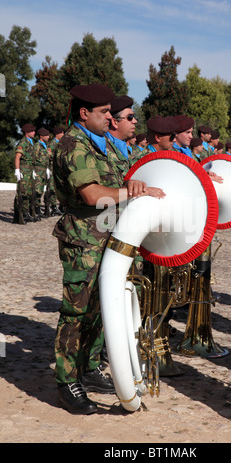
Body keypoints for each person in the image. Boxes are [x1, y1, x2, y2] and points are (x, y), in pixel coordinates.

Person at [52, 83, 165, 415]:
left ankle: (86, 368)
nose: (108, 117)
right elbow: (91, 195)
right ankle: (66, 382)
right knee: (77, 312)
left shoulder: (98, 144)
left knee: (101, 311)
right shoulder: (74, 145)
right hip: (83, 241)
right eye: (103, 113)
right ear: (84, 113)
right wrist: (131, 192)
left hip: (107, 240)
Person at [105, 94, 137, 169]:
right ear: (115, 122)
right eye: (130, 117)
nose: (135, 121)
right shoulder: (101, 149)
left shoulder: (126, 149)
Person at [13, 123, 37, 224]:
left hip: (30, 170)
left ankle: (26, 213)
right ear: (27, 132)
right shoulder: (23, 142)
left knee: (28, 192)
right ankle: (18, 214)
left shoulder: (30, 142)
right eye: (32, 131)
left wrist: (33, 170)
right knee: (21, 192)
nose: (34, 132)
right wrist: (17, 170)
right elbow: (18, 157)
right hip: (24, 170)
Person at [47, 126, 65, 216]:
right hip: (52, 168)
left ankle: (61, 206)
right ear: (58, 134)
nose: (63, 135)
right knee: (52, 188)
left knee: (61, 187)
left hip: (59, 168)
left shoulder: (61, 143)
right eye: (62, 133)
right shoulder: (52, 144)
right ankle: (53, 207)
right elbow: (48, 156)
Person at [34, 128, 51, 218]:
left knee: (41, 190)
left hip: (44, 171)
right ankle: (35, 209)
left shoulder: (45, 145)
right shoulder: (37, 146)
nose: (48, 137)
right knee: (37, 190)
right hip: (38, 171)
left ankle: (37, 209)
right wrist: (33, 170)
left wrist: (47, 168)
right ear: (41, 136)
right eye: (46, 135)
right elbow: (34, 158)